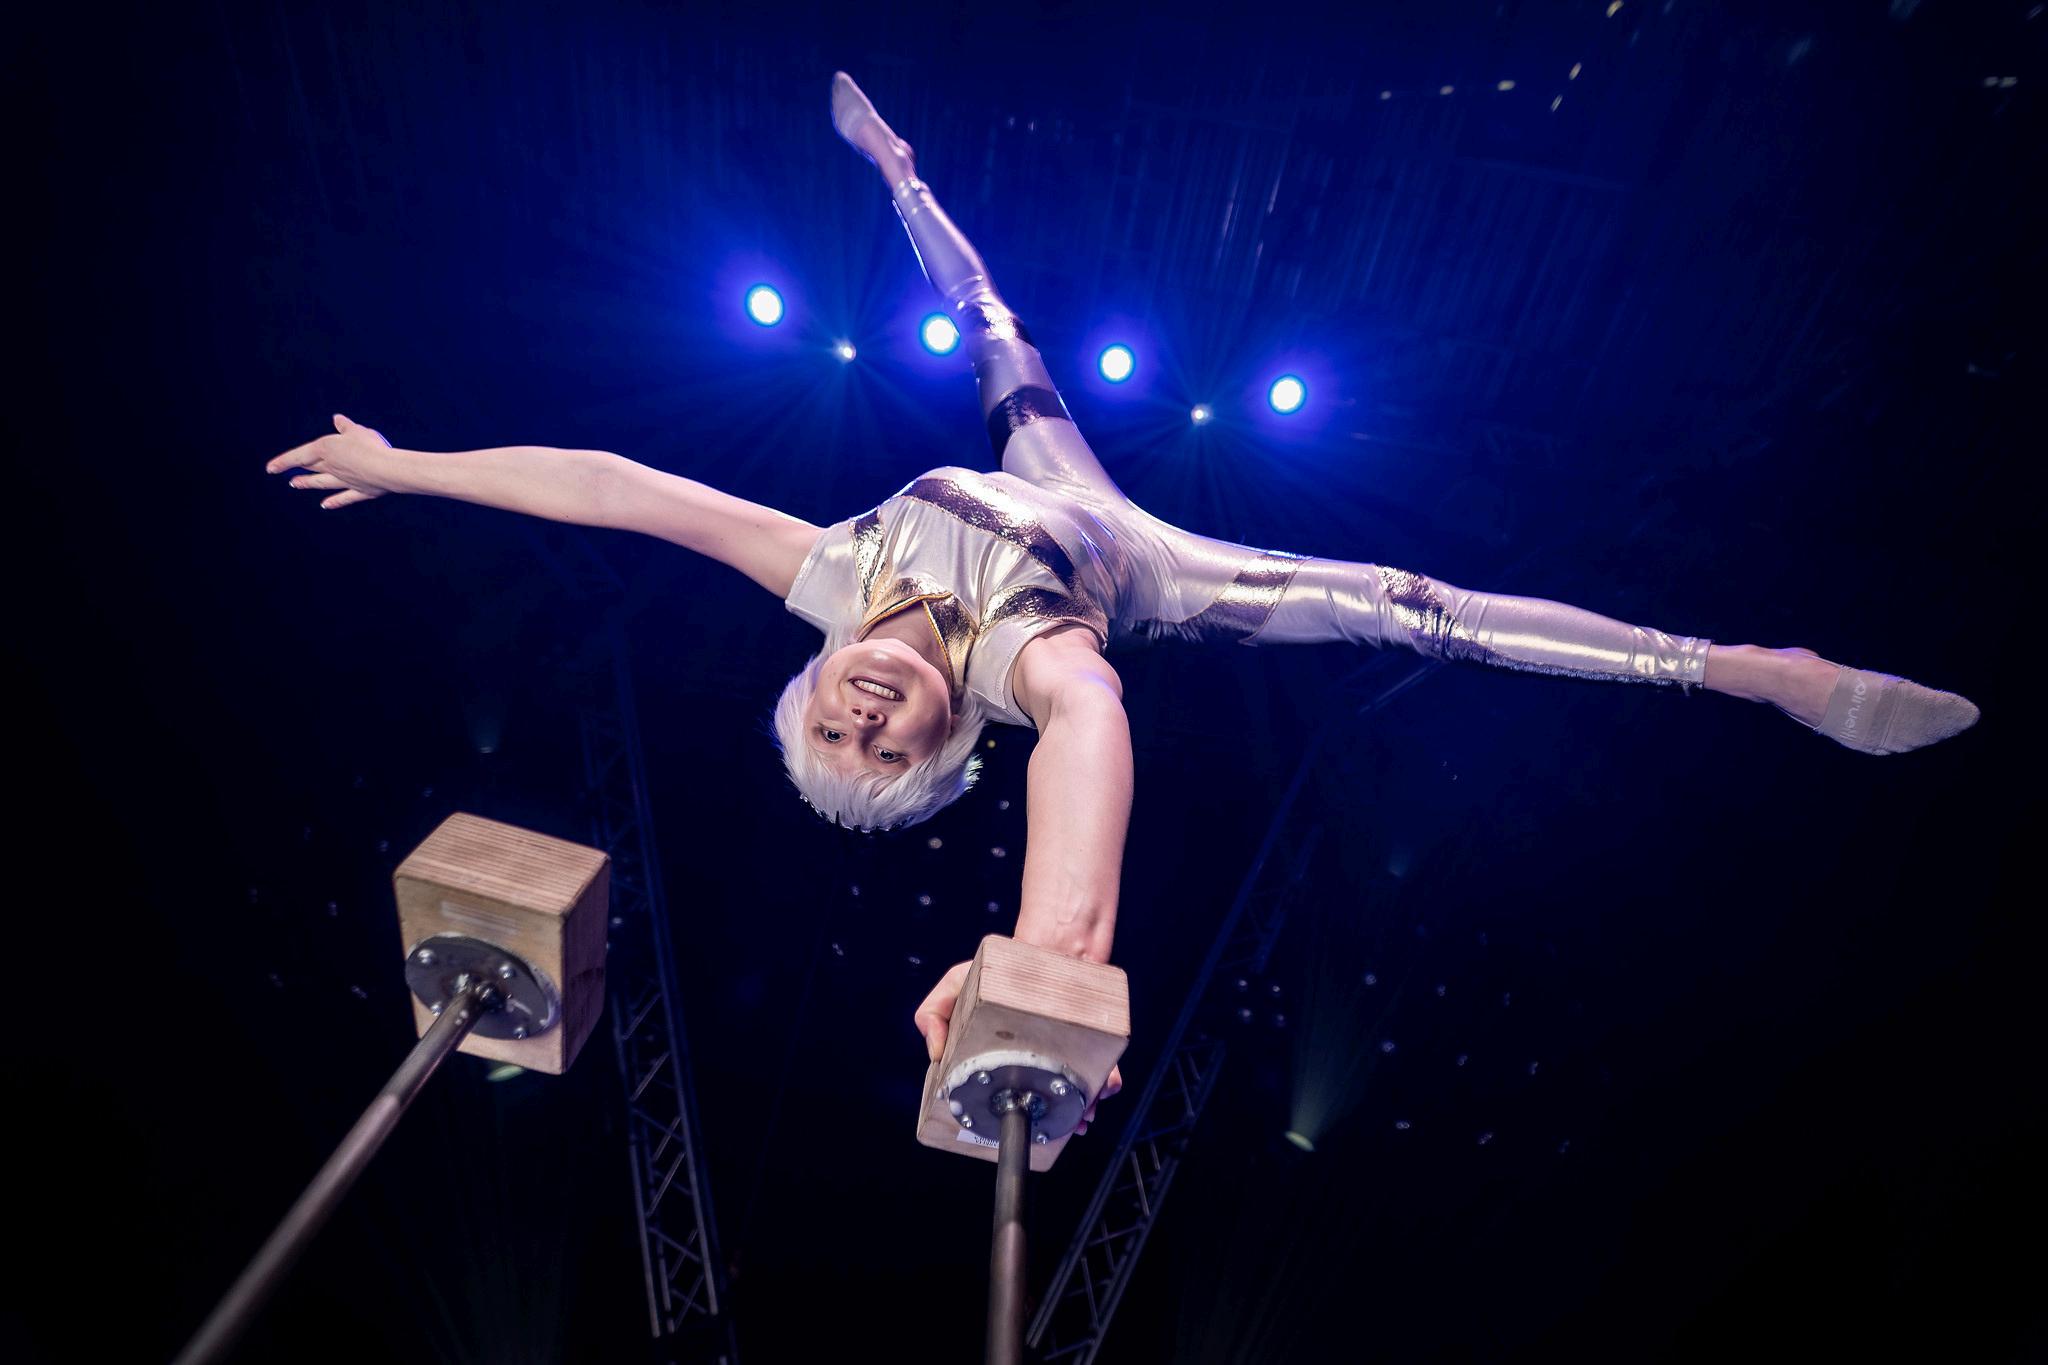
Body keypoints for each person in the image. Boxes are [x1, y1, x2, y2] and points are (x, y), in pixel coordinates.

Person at [264, 73, 1978, 1135]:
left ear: (815, 683)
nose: (861, 716)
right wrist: (1048, 957)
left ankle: (901, 173)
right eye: (887, 750)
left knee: (996, 325)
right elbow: (1091, 724)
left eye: (832, 727)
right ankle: (1741, 669)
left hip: (1044, 464)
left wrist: (412, 467)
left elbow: (624, 488)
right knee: (1413, 606)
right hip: (1153, 565)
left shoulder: (827, 578)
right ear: (950, 743)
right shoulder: (1028, 668)